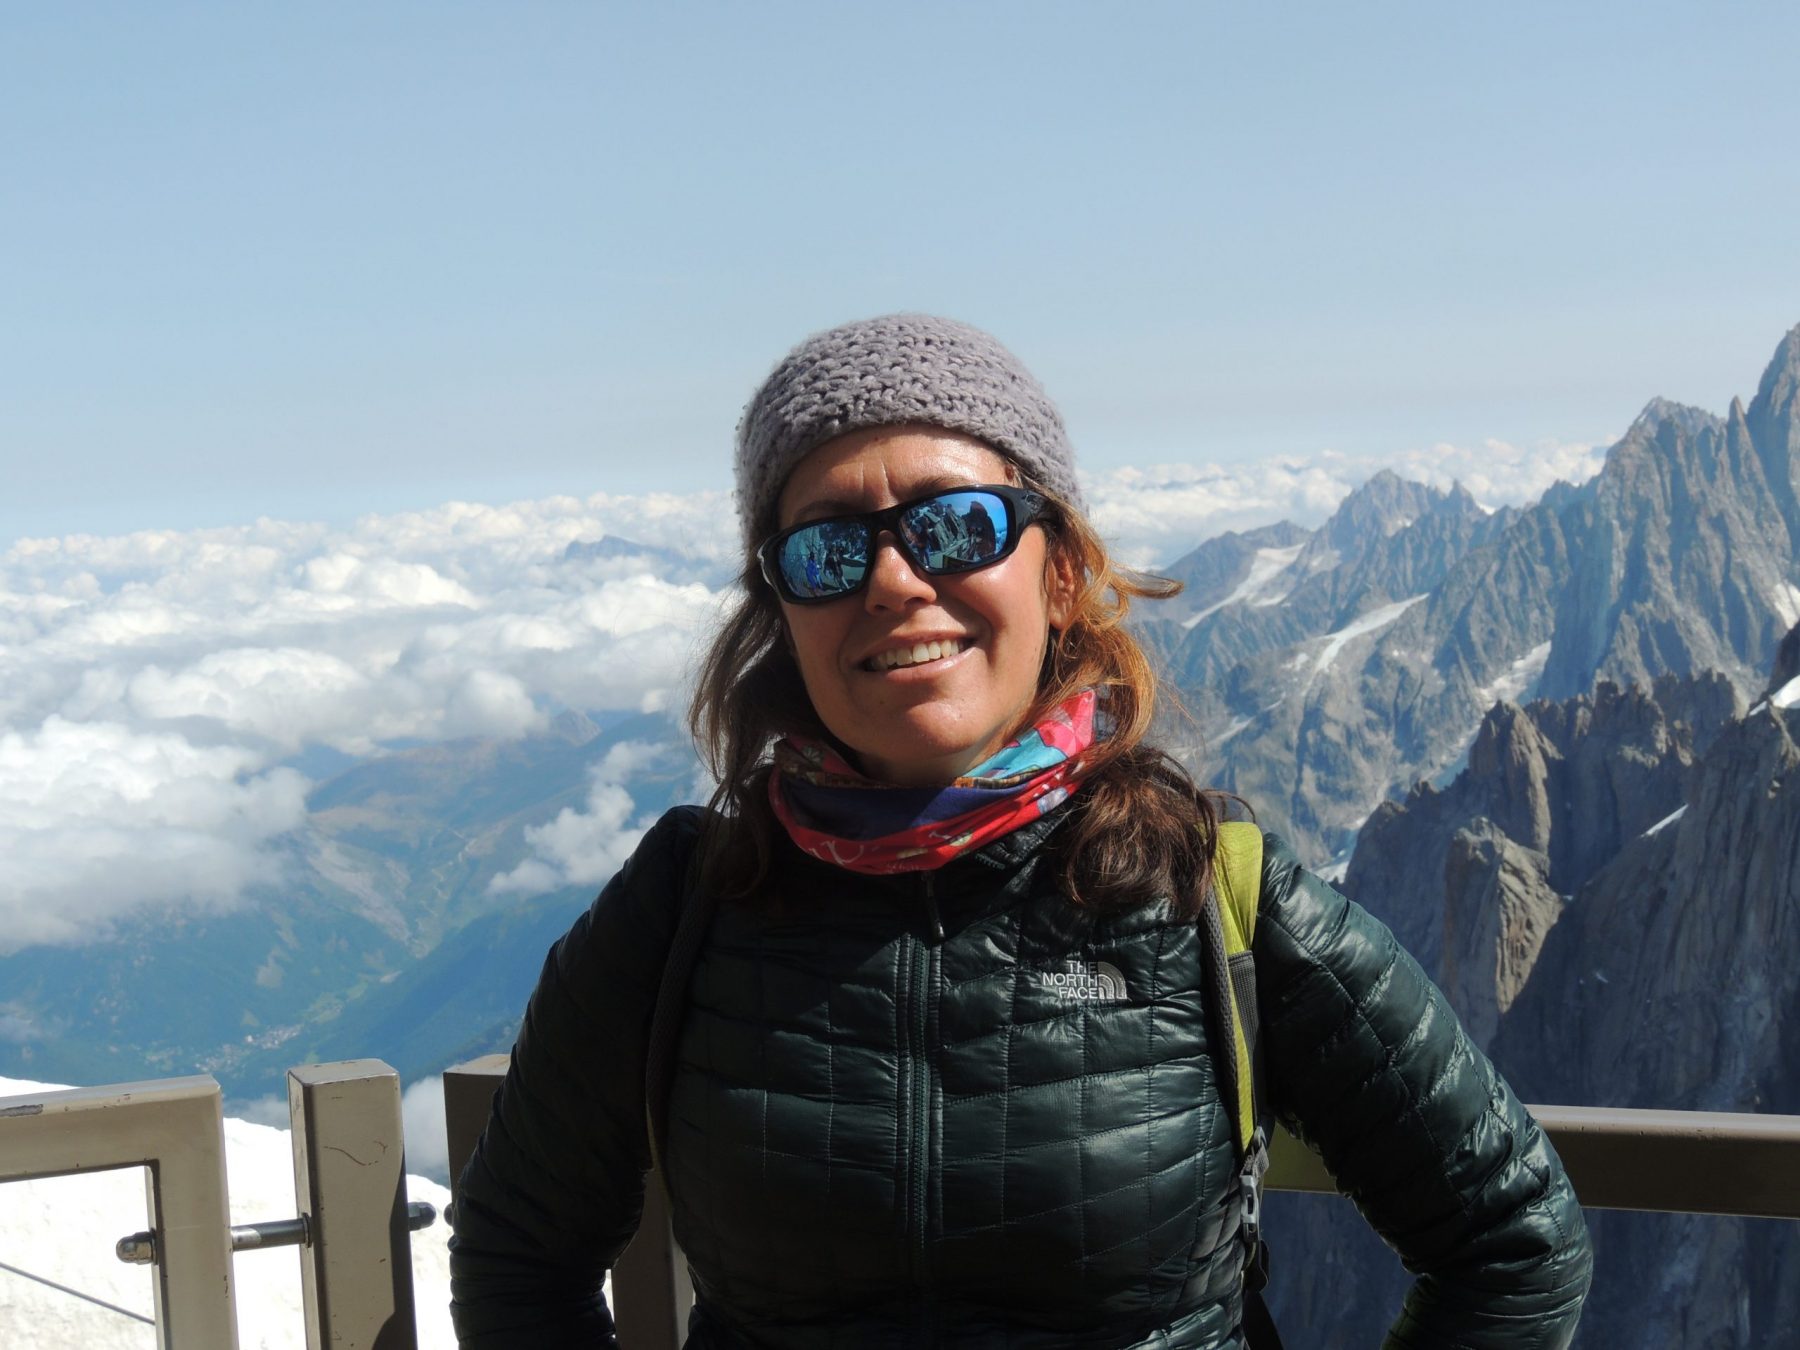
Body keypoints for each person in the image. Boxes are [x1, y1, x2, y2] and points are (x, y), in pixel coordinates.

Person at [449, 314, 1593, 1348]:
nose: (894, 581)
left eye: (955, 527)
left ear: (1060, 574)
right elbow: (516, 1257)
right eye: (829, 549)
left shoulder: (1208, 887)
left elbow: (1515, 1240)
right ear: (780, 613)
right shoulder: (683, 904)